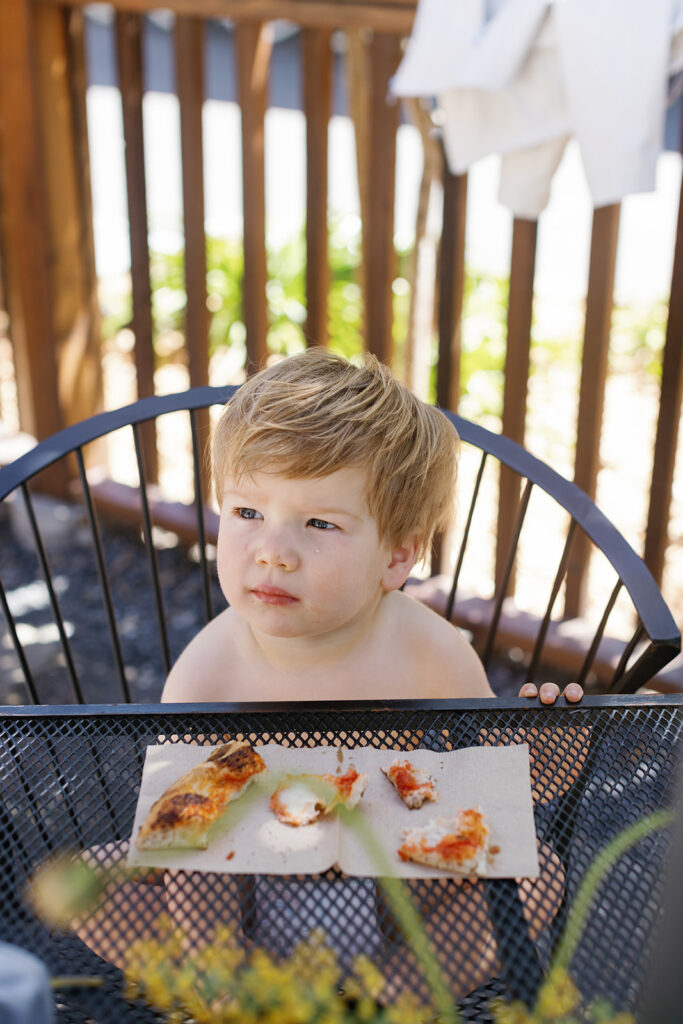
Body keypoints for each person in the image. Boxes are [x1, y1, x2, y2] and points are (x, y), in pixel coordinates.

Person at [162, 348, 582, 708]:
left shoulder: (429, 652)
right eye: (248, 514)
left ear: (397, 556)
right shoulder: (205, 676)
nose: (272, 552)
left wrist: (541, 753)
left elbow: (499, 775)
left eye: (320, 523)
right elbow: (173, 799)